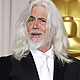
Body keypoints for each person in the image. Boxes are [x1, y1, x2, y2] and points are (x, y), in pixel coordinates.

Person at [0, 0, 80, 80]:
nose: (35, 26)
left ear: (54, 28)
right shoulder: (6, 65)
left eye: (42, 21)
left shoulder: (74, 67)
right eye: (31, 20)